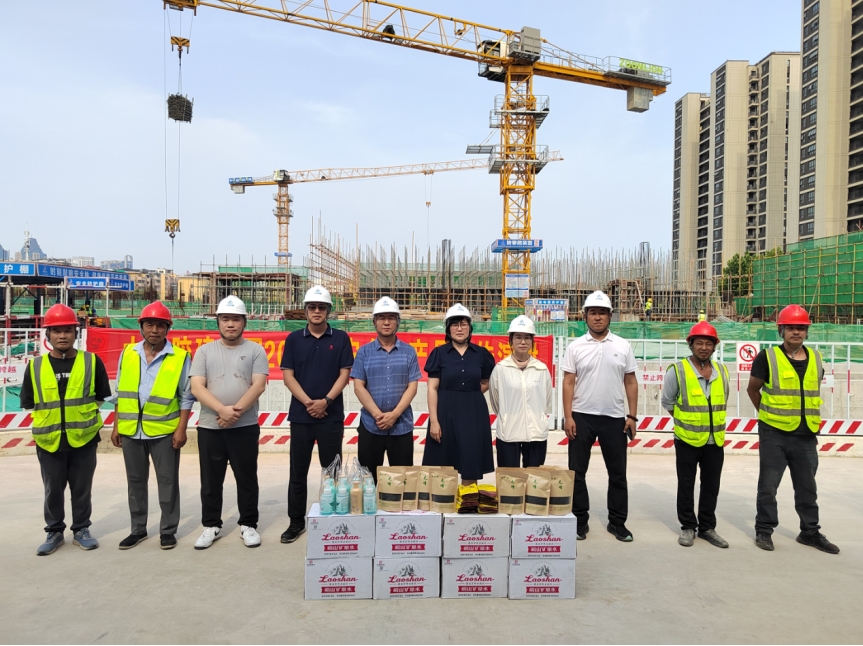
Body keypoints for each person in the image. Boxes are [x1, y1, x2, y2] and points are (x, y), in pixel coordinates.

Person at [746, 304, 839, 554]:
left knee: (808, 488)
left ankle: (810, 532)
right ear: (781, 330)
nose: (796, 332)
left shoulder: (816, 358)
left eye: (801, 328)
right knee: (768, 487)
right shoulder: (767, 357)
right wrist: (768, 416)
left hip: (806, 435)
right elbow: (753, 389)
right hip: (774, 433)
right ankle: (764, 530)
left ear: (807, 331)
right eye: (790, 328)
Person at [19, 304, 111, 555]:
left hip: (83, 438)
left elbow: (101, 396)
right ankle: (54, 531)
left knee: (82, 489)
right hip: (49, 440)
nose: (62, 336)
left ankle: (81, 529)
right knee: (52, 490)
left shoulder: (91, 362)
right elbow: (29, 402)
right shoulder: (35, 366)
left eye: (68, 330)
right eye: (56, 331)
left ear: (76, 333)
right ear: (48, 335)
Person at [111, 301, 193, 551]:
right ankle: (138, 530)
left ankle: (167, 531)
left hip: (164, 432)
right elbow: (120, 392)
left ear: (168, 328)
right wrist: (116, 425)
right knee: (135, 482)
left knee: (167, 482)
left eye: (160, 325)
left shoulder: (180, 357)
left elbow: (186, 396)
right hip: (130, 430)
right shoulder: (128, 353)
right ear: (141, 327)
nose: (154, 330)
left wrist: (181, 429)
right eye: (149, 324)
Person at [190, 296, 268, 550]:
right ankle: (211, 525)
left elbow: (258, 385)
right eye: (225, 319)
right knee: (210, 480)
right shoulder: (204, 352)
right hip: (210, 426)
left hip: (244, 427)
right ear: (218, 322)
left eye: (236, 319)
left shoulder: (255, 350)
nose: (230, 324)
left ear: (244, 322)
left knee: (246, 477)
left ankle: (248, 524)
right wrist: (221, 410)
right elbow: (197, 387)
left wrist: (234, 412)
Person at [562, 291, 638, 542]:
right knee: (577, 472)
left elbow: (630, 381)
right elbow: (568, 382)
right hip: (581, 416)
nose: (597, 317)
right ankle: (579, 521)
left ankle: (617, 522)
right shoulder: (576, 346)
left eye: (602, 313)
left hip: (614, 418)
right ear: (585, 316)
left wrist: (632, 416)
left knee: (618, 474)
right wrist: (568, 416)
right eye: (593, 313)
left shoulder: (622, 346)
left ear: (610, 316)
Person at [280, 285, 354, 543]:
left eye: (322, 307)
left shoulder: (341, 339)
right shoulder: (293, 340)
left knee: (331, 472)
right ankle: (296, 522)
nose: (317, 311)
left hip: (330, 417)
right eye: (312, 307)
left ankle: (331, 517)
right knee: (297, 473)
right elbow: (288, 376)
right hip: (301, 417)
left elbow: (345, 374)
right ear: (306, 310)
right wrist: (309, 403)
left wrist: (326, 401)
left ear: (328, 311)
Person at [662, 322, 729, 549]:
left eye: (708, 343)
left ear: (714, 346)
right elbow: (668, 402)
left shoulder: (722, 371)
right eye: (699, 343)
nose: (704, 347)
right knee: (686, 485)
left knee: (711, 486)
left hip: (715, 440)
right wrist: (686, 421)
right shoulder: (678, 370)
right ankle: (688, 526)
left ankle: (707, 527)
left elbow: (723, 400)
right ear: (691, 345)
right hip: (687, 439)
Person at [422, 303, 495, 485]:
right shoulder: (439, 353)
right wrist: (434, 421)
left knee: (471, 458)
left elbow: (486, 381)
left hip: (473, 412)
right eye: (455, 324)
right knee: (443, 460)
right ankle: (444, 498)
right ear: (448, 329)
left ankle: (468, 498)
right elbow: (432, 388)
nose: (459, 329)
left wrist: (469, 394)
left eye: (463, 324)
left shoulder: (481, 354)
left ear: (470, 327)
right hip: (445, 411)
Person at [351, 297, 421, 483]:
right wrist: (378, 415)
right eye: (381, 318)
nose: (386, 322)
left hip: (401, 426)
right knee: (368, 481)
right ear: (374, 322)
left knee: (403, 481)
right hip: (371, 425)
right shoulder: (364, 352)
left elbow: (412, 386)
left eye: (391, 317)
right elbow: (358, 386)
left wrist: (394, 415)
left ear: (398, 321)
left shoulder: (409, 352)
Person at [489, 315, 553, 468]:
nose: (523, 342)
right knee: (509, 478)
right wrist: (506, 417)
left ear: (532, 341)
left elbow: (547, 400)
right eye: (518, 337)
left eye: (527, 337)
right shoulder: (501, 369)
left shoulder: (541, 369)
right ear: (511, 340)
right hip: (508, 433)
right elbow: (495, 400)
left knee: (534, 478)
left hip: (536, 432)